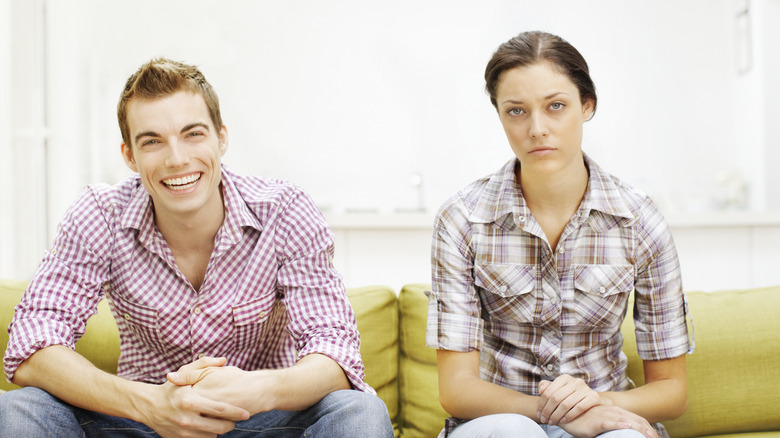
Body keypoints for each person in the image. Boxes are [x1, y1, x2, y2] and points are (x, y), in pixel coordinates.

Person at [0, 58, 393, 438]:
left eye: (193, 134)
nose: (177, 158)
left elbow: (337, 354)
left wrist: (258, 390)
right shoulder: (100, 214)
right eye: (152, 141)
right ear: (129, 157)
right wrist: (150, 403)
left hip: (263, 420)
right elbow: (31, 344)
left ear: (221, 138)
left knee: (359, 411)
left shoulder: (284, 211)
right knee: (20, 410)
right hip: (143, 422)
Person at [426, 31, 693, 438]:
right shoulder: (462, 219)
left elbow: (672, 391)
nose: (537, 128)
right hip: (501, 423)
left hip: (606, 417)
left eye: (555, 106)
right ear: (499, 114)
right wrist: (555, 412)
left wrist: (598, 405)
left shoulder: (639, 220)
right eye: (516, 111)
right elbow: (456, 389)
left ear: (587, 106)